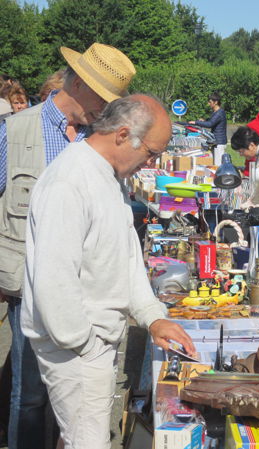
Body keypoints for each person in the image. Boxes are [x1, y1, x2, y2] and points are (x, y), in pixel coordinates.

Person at [21, 94, 196, 449]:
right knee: (88, 442)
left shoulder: (106, 175)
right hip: (77, 347)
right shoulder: (69, 181)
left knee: (84, 438)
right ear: (122, 134)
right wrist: (85, 345)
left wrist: (151, 316)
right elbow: (53, 281)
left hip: (89, 342)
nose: (150, 162)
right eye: (150, 152)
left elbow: (125, 255)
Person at [0, 42, 136, 449]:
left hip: (86, 290)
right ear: (76, 82)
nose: (107, 110)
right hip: (30, 285)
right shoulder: (16, 128)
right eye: (102, 98)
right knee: (30, 396)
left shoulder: (99, 138)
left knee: (77, 396)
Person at [189, 91, 227, 165]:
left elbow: (210, 124)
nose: (208, 104)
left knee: (218, 164)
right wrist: (204, 121)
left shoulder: (219, 113)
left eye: (210, 102)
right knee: (214, 163)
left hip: (219, 143)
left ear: (215, 102)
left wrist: (196, 122)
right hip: (215, 142)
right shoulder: (215, 112)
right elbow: (211, 121)